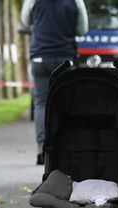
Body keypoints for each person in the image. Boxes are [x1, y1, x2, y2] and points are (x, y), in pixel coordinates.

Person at [21, 0, 88, 165]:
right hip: (65, 58)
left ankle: (42, 149)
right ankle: (63, 149)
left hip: (40, 57)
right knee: (65, 103)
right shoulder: (76, 1)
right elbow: (82, 29)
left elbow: (25, 20)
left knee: (42, 104)